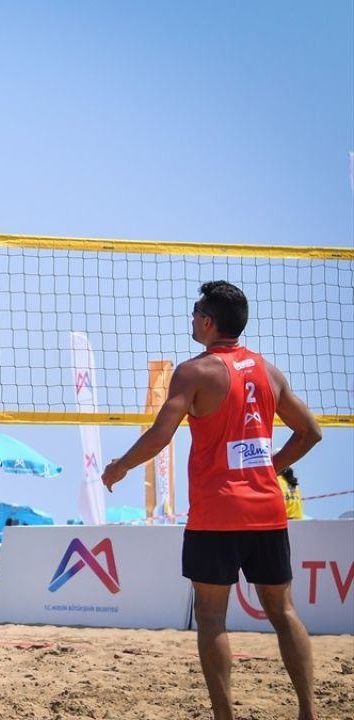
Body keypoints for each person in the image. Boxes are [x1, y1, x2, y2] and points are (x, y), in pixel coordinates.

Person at [101, 281, 322, 720]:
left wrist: (122, 466)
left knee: (211, 617)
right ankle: (308, 713)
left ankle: (225, 716)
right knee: (283, 610)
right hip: (266, 511)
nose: (192, 317)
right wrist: (269, 468)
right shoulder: (268, 371)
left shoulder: (195, 371)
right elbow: (311, 432)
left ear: (207, 320)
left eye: (195, 310)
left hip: (217, 513)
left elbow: (161, 435)